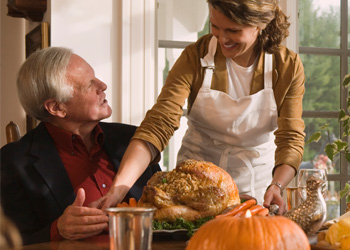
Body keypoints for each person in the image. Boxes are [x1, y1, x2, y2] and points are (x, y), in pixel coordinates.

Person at [96, 0, 305, 214]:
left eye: (233, 30)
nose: (222, 38)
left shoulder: (286, 66)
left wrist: (277, 185)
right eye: (215, 26)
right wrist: (119, 189)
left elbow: (291, 137)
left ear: (259, 25)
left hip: (256, 191)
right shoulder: (195, 57)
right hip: (194, 192)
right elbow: (159, 123)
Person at [0, 47, 161, 244]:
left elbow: (164, 211)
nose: (103, 85)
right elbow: (11, 242)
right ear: (57, 108)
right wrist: (58, 229)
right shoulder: (14, 161)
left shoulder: (133, 139)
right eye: (89, 85)